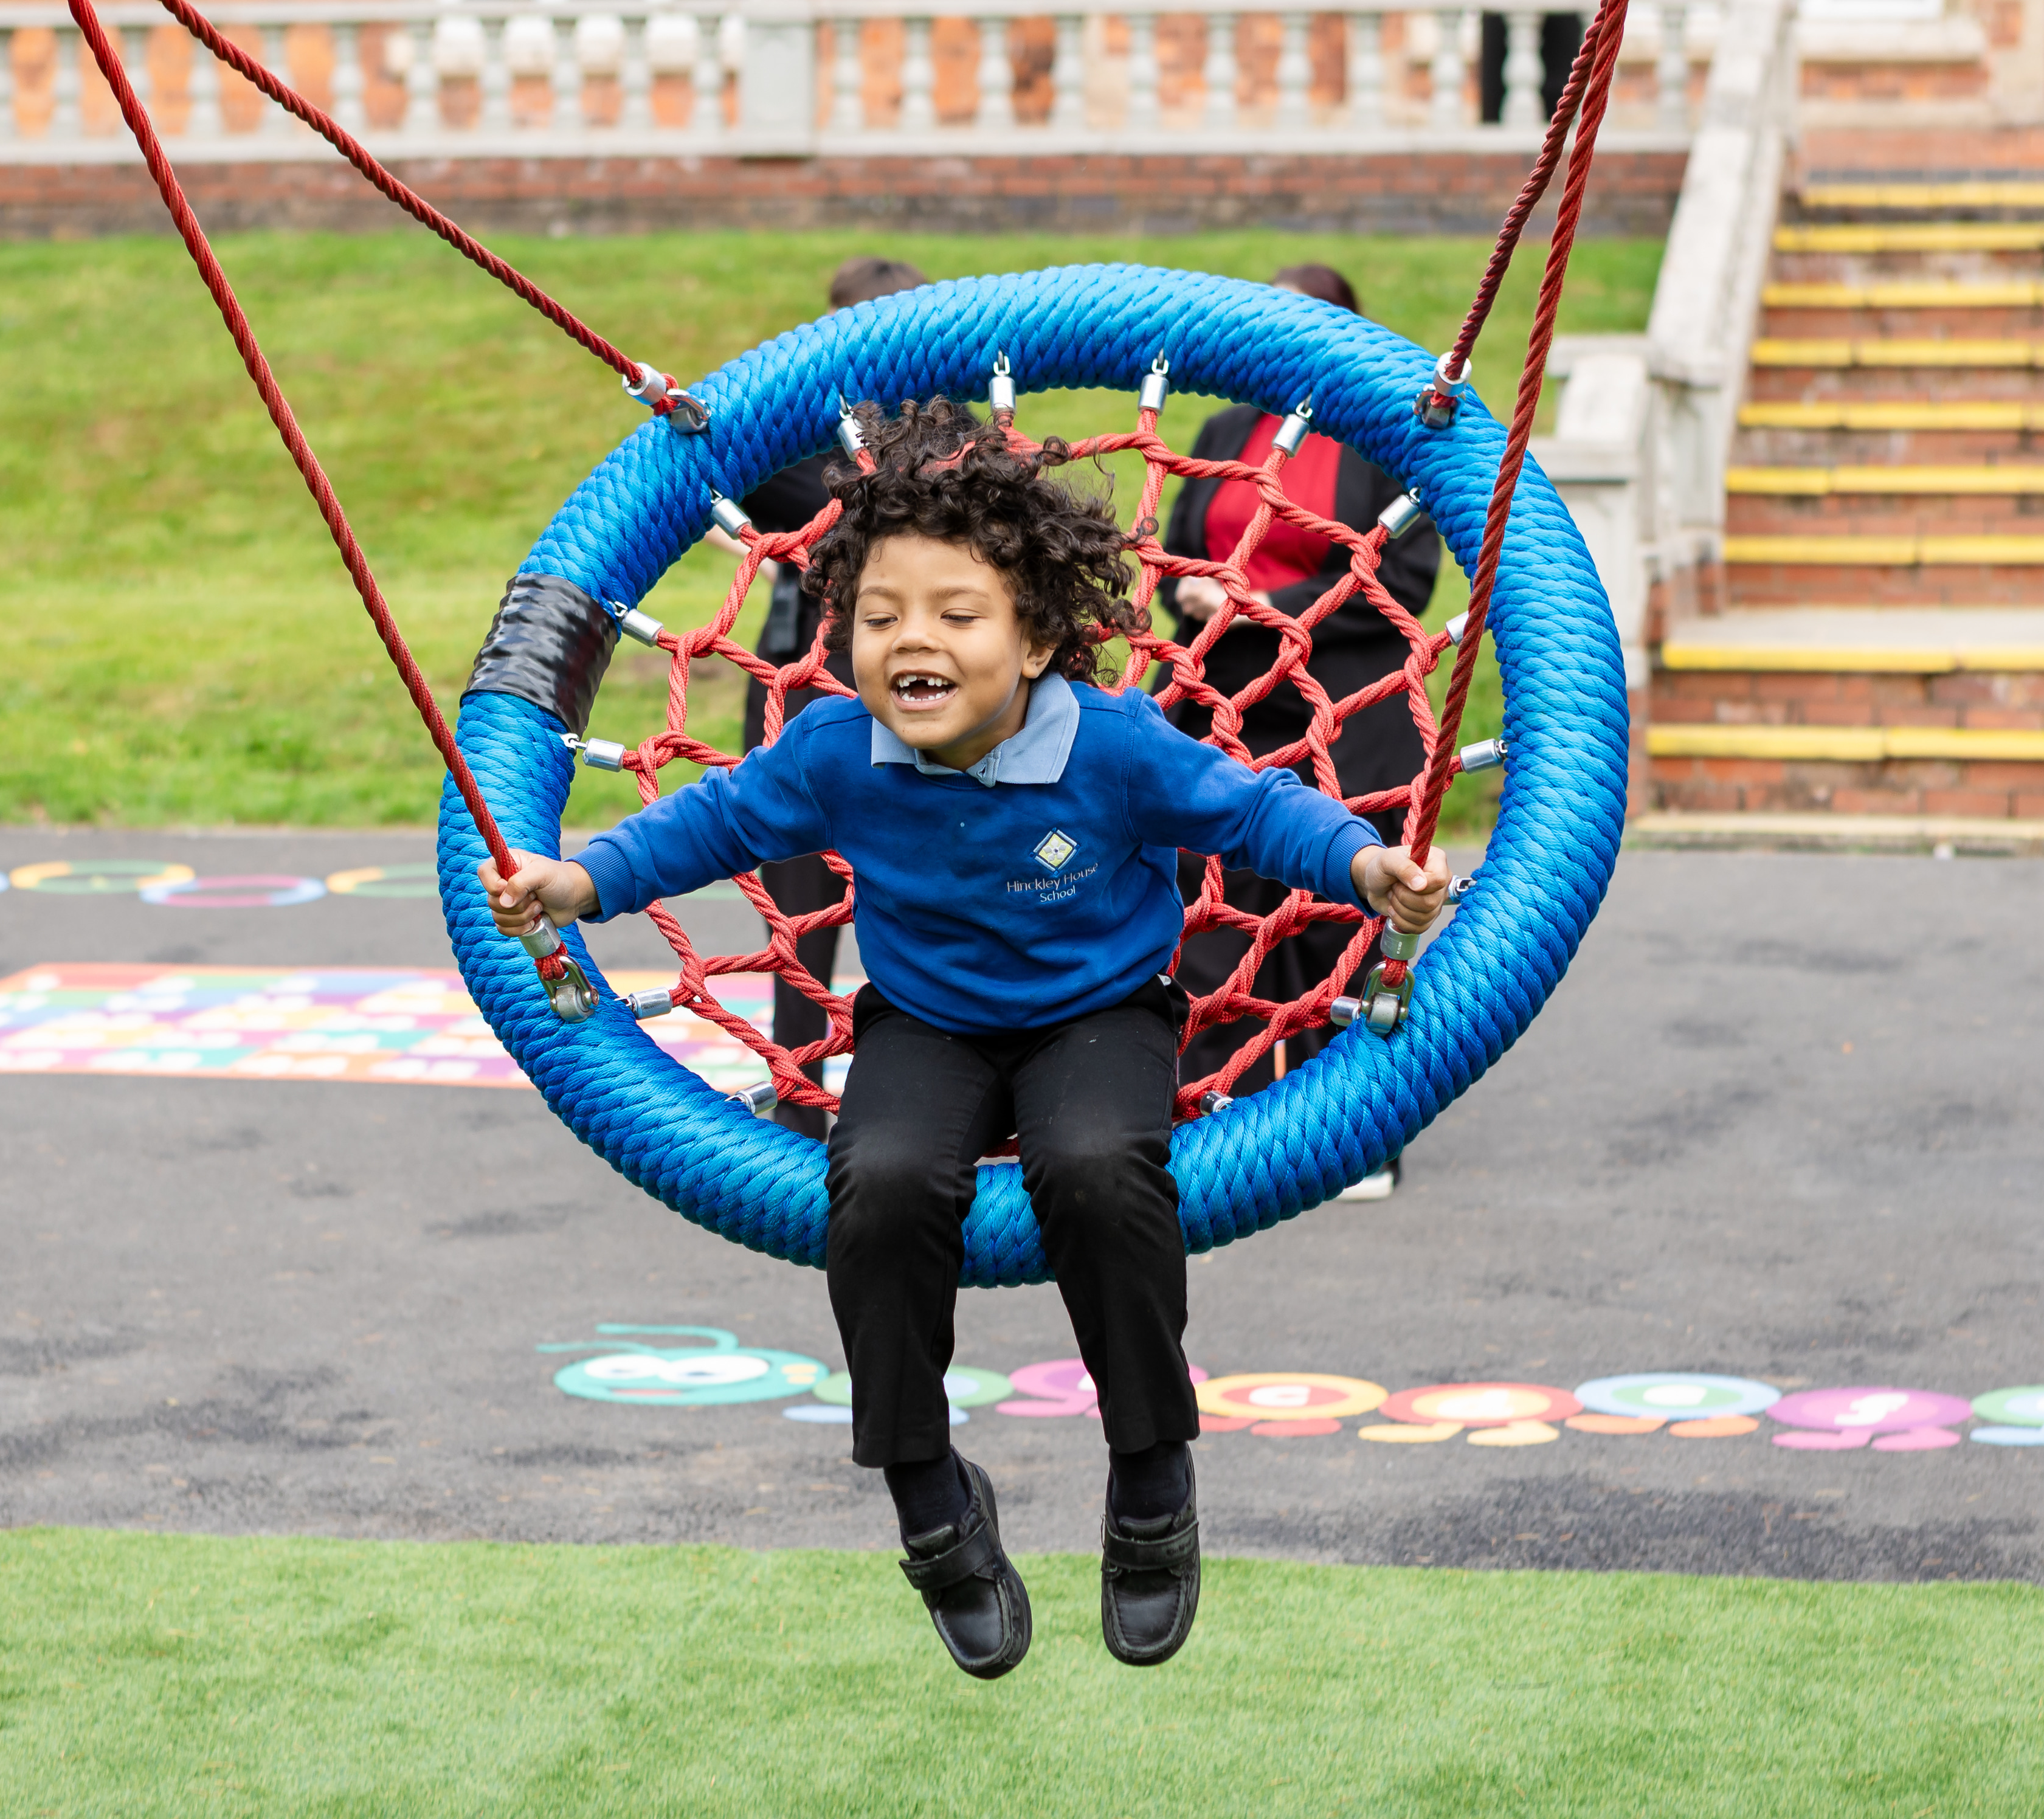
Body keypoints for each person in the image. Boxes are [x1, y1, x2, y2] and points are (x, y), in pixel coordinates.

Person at [483, 398, 1451, 1679]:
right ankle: (931, 1496)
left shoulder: (1107, 743)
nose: (910, 642)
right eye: (879, 617)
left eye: (955, 614)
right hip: (927, 1019)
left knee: (1101, 1167)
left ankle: (1151, 1473)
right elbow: (707, 823)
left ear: (1039, 634)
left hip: (1098, 1011)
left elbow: (1253, 808)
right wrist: (582, 882)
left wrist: (1360, 859)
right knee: (875, 1184)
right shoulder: (838, 746)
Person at [1157, 262, 1445, 1201]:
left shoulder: (1381, 441)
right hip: (1230, 695)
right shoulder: (1220, 431)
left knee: (1339, 911)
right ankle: (1223, 1105)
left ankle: (1355, 1133)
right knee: (1211, 897)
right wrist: (1198, 593)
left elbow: (1401, 582)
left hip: (1344, 698)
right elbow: (1179, 551)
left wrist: (1266, 602)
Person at [706, 255, 931, 1141]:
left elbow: (891, 516)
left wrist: (790, 534)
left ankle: (910, 1083)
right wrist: (762, 533)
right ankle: (800, 1094)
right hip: (798, 684)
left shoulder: (943, 440)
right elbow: (705, 471)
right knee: (798, 894)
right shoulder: (796, 433)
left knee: (910, 883)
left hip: (910, 690)